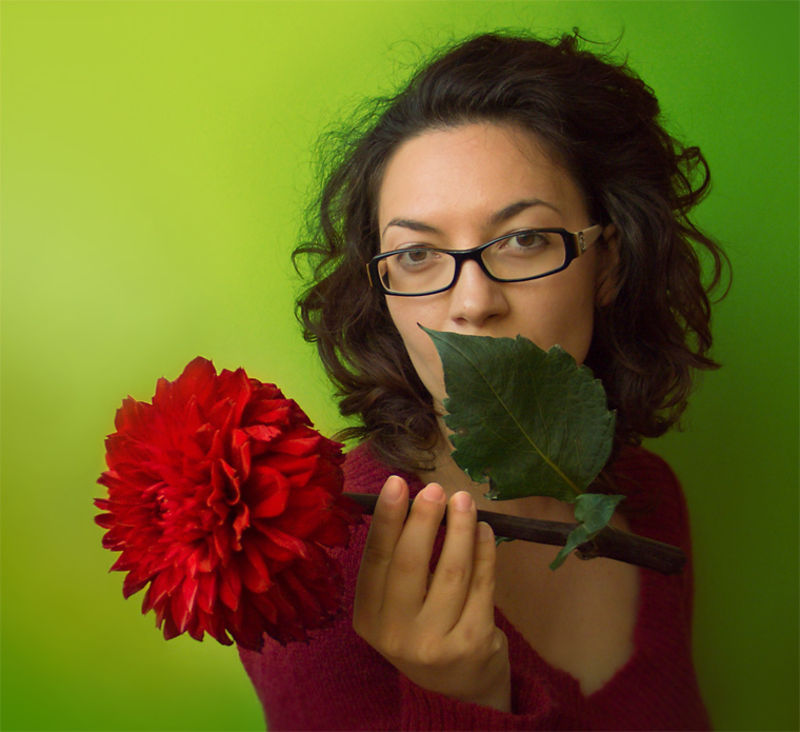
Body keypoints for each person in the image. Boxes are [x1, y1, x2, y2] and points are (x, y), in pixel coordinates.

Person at [240, 31, 728, 730]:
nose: (472, 303)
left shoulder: (651, 501)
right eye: (416, 254)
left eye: (524, 239)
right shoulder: (313, 573)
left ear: (609, 263)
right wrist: (460, 701)